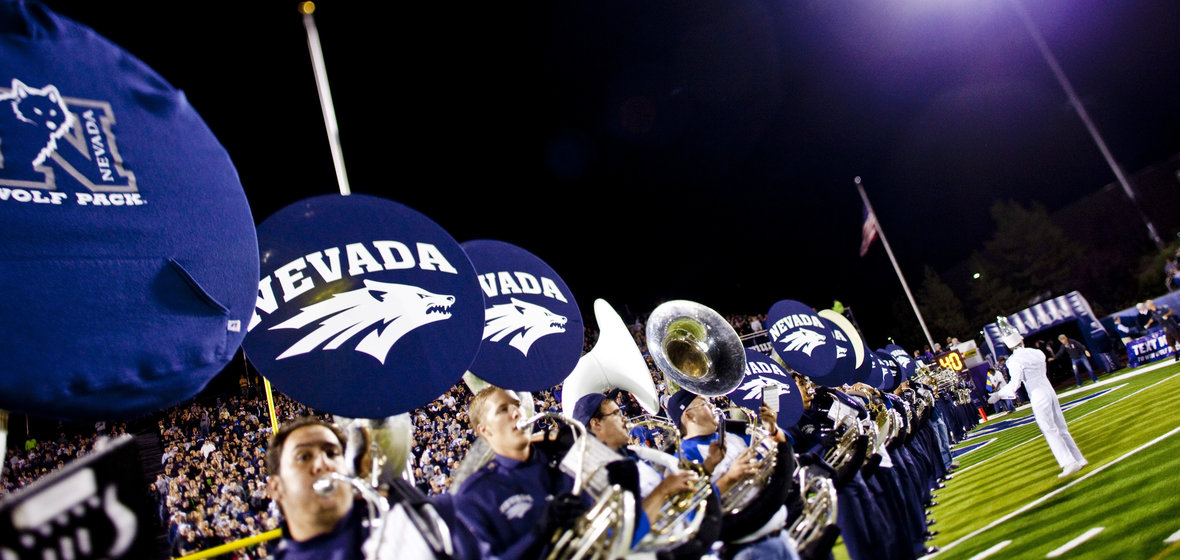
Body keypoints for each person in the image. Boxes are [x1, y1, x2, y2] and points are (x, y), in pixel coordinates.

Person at [572, 391, 722, 559]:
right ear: (596, 424)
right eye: (616, 414)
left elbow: (677, 504)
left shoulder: (634, 459)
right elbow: (617, 541)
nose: (624, 419)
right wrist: (663, 490)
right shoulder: (592, 477)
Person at [452, 386, 592, 560]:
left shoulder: (560, 458)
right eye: (503, 410)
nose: (517, 413)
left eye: (516, 405)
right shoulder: (474, 495)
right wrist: (538, 534)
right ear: (485, 430)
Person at [667, 388, 801, 560]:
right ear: (689, 416)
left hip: (779, 532)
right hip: (744, 547)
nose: (712, 405)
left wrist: (773, 429)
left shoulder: (732, 435)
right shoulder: (682, 456)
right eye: (704, 403)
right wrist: (729, 478)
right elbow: (691, 509)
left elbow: (783, 449)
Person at [265, 417, 367, 560]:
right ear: (276, 487)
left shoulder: (394, 524)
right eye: (304, 457)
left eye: (332, 453)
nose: (323, 463)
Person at [988, 332, 1087, 478]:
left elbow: (1015, 383)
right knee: (1061, 427)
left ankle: (1068, 462)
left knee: (1049, 428)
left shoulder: (1014, 360)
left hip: (1037, 393)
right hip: (1048, 388)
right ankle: (1079, 458)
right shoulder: (1036, 352)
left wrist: (998, 395)